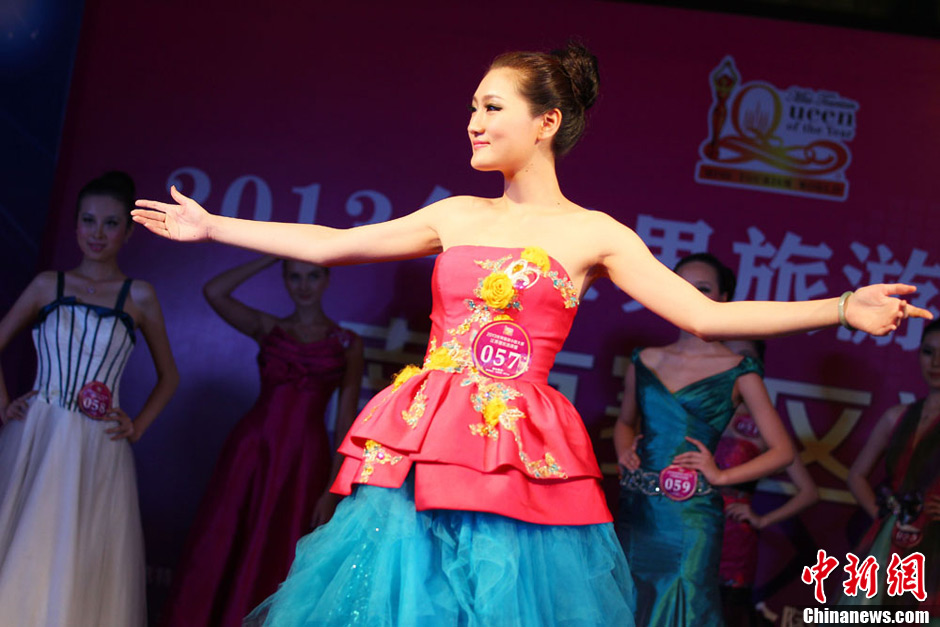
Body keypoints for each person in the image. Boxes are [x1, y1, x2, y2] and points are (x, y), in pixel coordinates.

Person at [132, 42, 927, 626]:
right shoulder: (455, 213)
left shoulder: (595, 235)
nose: (472, 120)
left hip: (517, 452)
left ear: (546, 122)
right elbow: (329, 242)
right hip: (427, 436)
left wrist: (841, 302)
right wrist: (212, 227)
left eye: (491, 106)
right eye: (473, 106)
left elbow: (706, 316)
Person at [0, 171, 179, 626]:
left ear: (128, 231)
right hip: (37, 432)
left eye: (110, 223)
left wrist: (136, 426)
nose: (97, 233)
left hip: (99, 445)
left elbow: (169, 376)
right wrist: (5, 406)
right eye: (88, 221)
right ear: (76, 225)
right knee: (25, 541)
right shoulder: (47, 285)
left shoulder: (139, 295)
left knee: (77, 551)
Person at [159, 255, 363, 627]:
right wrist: (271, 255)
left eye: (313, 275)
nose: (303, 285)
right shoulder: (267, 327)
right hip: (252, 452)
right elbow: (214, 291)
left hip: (305, 462)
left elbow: (345, 423)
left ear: (327, 278)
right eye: (294, 276)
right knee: (223, 545)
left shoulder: (348, 343)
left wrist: (333, 490)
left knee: (280, 552)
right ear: (283, 279)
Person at [614, 253, 803, 626]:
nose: (690, 295)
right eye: (681, 286)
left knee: (685, 602)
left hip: (692, 516)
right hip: (638, 510)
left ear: (724, 297)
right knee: (627, 600)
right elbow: (624, 422)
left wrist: (720, 476)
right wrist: (624, 451)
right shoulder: (646, 359)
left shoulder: (738, 369)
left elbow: (782, 451)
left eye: (702, 289)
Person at [716, 339, 819, 627]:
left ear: (758, 367)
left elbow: (809, 492)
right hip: (683, 526)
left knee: (724, 615)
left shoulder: (761, 425)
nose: (735, 363)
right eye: (727, 354)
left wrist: (761, 520)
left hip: (732, 539)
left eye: (745, 357)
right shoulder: (696, 411)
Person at [843, 318, 940, 613]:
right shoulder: (896, 416)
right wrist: (882, 515)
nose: (936, 362)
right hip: (890, 537)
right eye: (928, 352)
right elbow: (856, 476)